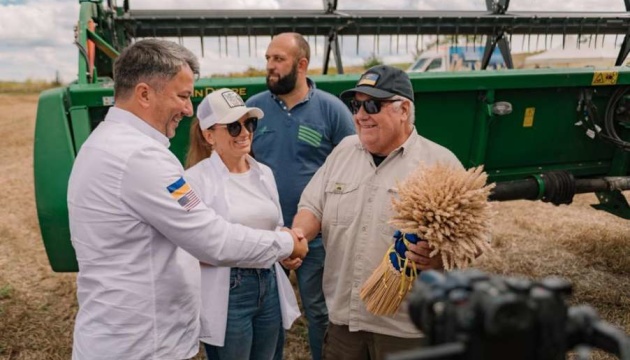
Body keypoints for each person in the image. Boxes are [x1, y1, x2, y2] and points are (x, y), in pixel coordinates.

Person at [66, 39, 308, 360]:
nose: (188, 109)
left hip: (126, 334)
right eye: (181, 96)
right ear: (144, 94)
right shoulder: (141, 157)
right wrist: (287, 244)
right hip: (141, 344)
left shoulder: (105, 143)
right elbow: (213, 240)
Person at [292, 65, 464, 360]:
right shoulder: (344, 151)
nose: (360, 115)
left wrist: (439, 259)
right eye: (356, 105)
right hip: (344, 325)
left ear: (404, 110)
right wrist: (296, 236)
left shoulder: (440, 164)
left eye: (372, 105)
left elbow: (473, 243)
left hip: (405, 332)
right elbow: (312, 206)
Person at [246, 32, 355, 360]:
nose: (270, 66)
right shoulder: (253, 110)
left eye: (278, 59)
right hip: (263, 234)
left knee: (319, 311)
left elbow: (353, 165)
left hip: (316, 236)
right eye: (268, 59)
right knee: (266, 314)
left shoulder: (332, 111)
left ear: (302, 64)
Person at [184, 88, 301, 360]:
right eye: (234, 126)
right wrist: (277, 245)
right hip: (229, 290)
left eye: (249, 123)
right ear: (208, 134)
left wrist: (285, 250)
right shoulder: (193, 181)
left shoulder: (263, 173)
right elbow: (195, 246)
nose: (246, 132)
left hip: (268, 280)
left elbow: (275, 225)